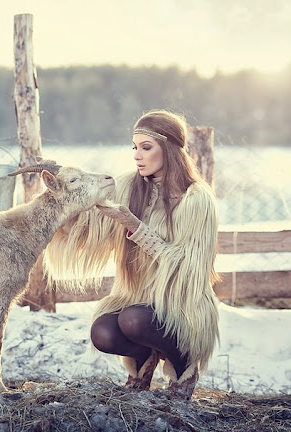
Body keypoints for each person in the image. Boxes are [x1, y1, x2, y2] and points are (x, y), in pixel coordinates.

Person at [44, 109, 219, 399]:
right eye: (135, 147)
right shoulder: (128, 186)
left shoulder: (197, 199)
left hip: (181, 304)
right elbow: (90, 226)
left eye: (146, 148)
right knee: (103, 333)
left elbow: (189, 268)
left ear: (170, 149)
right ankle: (145, 360)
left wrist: (136, 228)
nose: (137, 155)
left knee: (133, 321)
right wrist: (62, 201)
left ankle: (183, 365)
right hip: (134, 298)